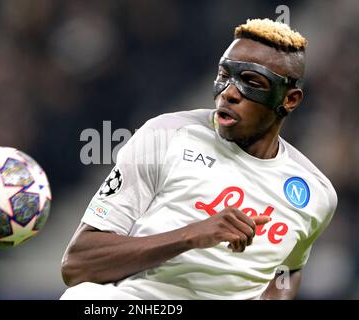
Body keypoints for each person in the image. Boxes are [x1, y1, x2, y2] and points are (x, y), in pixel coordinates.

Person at [60, 18, 337, 300]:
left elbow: (288, 272)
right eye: (224, 75)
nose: (229, 93)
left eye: (251, 82)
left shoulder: (315, 192)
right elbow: (78, 263)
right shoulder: (165, 136)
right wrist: (192, 235)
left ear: (290, 100)